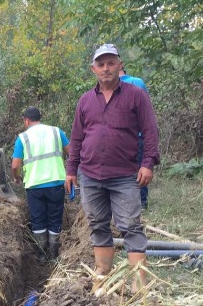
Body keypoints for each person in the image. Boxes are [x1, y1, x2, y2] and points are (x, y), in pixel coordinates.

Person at [64, 44, 160, 289]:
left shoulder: (135, 95)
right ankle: (102, 272)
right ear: (93, 69)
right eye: (100, 64)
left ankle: (139, 282)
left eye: (110, 63)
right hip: (90, 174)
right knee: (97, 223)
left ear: (120, 65)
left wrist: (147, 163)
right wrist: (71, 170)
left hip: (125, 174)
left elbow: (150, 131)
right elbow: (76, 138)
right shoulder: (85, 101)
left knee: (130, 225)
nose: (106, 68)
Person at [11, 106, 70, 261]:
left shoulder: (22, 138)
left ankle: (41, 255)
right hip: (56, 182)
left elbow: (15, 165)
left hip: (34, 186)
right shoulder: (57, 132)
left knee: (38, 220)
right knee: (55, 218)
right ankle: (54, 254)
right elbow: (71, 151)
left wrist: (16, 177)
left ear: (26, 120)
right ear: (40, 117)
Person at [119, 66, 150, 209]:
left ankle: (126, 202)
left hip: (122, 137)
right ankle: (142, 202)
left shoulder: (107, 85)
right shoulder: (138, 82)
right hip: (139, 136)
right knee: (140, 169)